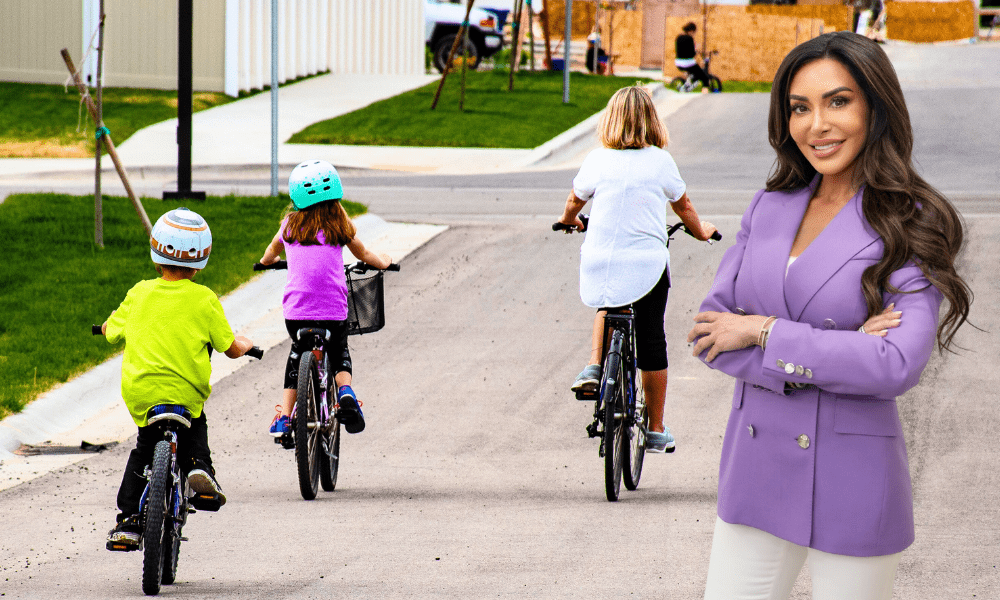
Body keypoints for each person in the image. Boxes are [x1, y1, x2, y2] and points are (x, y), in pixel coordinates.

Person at [686, 32, 972, 599]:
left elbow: (895, 365)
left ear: (875, 106)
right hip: (756, 469)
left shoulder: (911, 222)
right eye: (799, 107)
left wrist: (765, 331)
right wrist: (832, 349)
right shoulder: (771, 206)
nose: (817, 124)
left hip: (852, 480)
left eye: (838, 101)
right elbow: (711, 333)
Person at [558, 86, 717, 453]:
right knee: (650, 338)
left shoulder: (598, 159)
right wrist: (700, 230)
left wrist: (568, 221)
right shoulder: (660, 161)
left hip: (602, 260)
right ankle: (656, 428)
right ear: (651, 121)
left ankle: (594, 367)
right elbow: (684, 206)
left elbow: (573, 200)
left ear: (610, 120)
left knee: (609, 302)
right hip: (646, 263)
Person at [103, 208, 255, 549]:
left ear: (156, 253)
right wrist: (244, 343)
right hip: (185, 395)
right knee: (194, 427)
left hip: (143, 392)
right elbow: (229, 347)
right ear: (201, 260)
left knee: (144, 447)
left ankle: (128, 521)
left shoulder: (139, 293)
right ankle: (199, 468)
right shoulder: (205, 300)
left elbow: (113, 331)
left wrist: (104, 327)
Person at [259, 159, 392, 438]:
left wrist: (266, 261)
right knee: (338, 350)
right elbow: (365, 255)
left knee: (297, 355)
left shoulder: (289, 225)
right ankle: (345, 391)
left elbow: (270, 252)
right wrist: (384, 261)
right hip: (333, 311)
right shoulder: (339, 225)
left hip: (297, 313)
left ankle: (284, 417)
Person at [675, 22, 710, 94]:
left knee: (695, 73)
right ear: (691, 31)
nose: (694, 34)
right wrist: (696, 50)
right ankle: (706, 94)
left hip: (678, 63)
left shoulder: (678, 37)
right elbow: (692, 54)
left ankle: (687, 85)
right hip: (688, 63)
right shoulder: (690, 39)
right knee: (704, 77)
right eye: (694, 32)